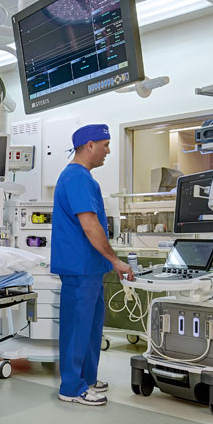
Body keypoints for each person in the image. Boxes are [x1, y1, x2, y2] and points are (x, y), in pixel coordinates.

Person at [50, 124, 134, 406]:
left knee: (91, 326)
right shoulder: (76, 177)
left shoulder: (84, 178)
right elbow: (89, 224)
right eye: (106, 144)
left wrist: (106, 261)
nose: (108, 151)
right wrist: (114, 259)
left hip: (90, 267)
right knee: (77, 328)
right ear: (89, 145)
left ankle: (87, 377)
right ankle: (72, 388)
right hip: (79, 267)